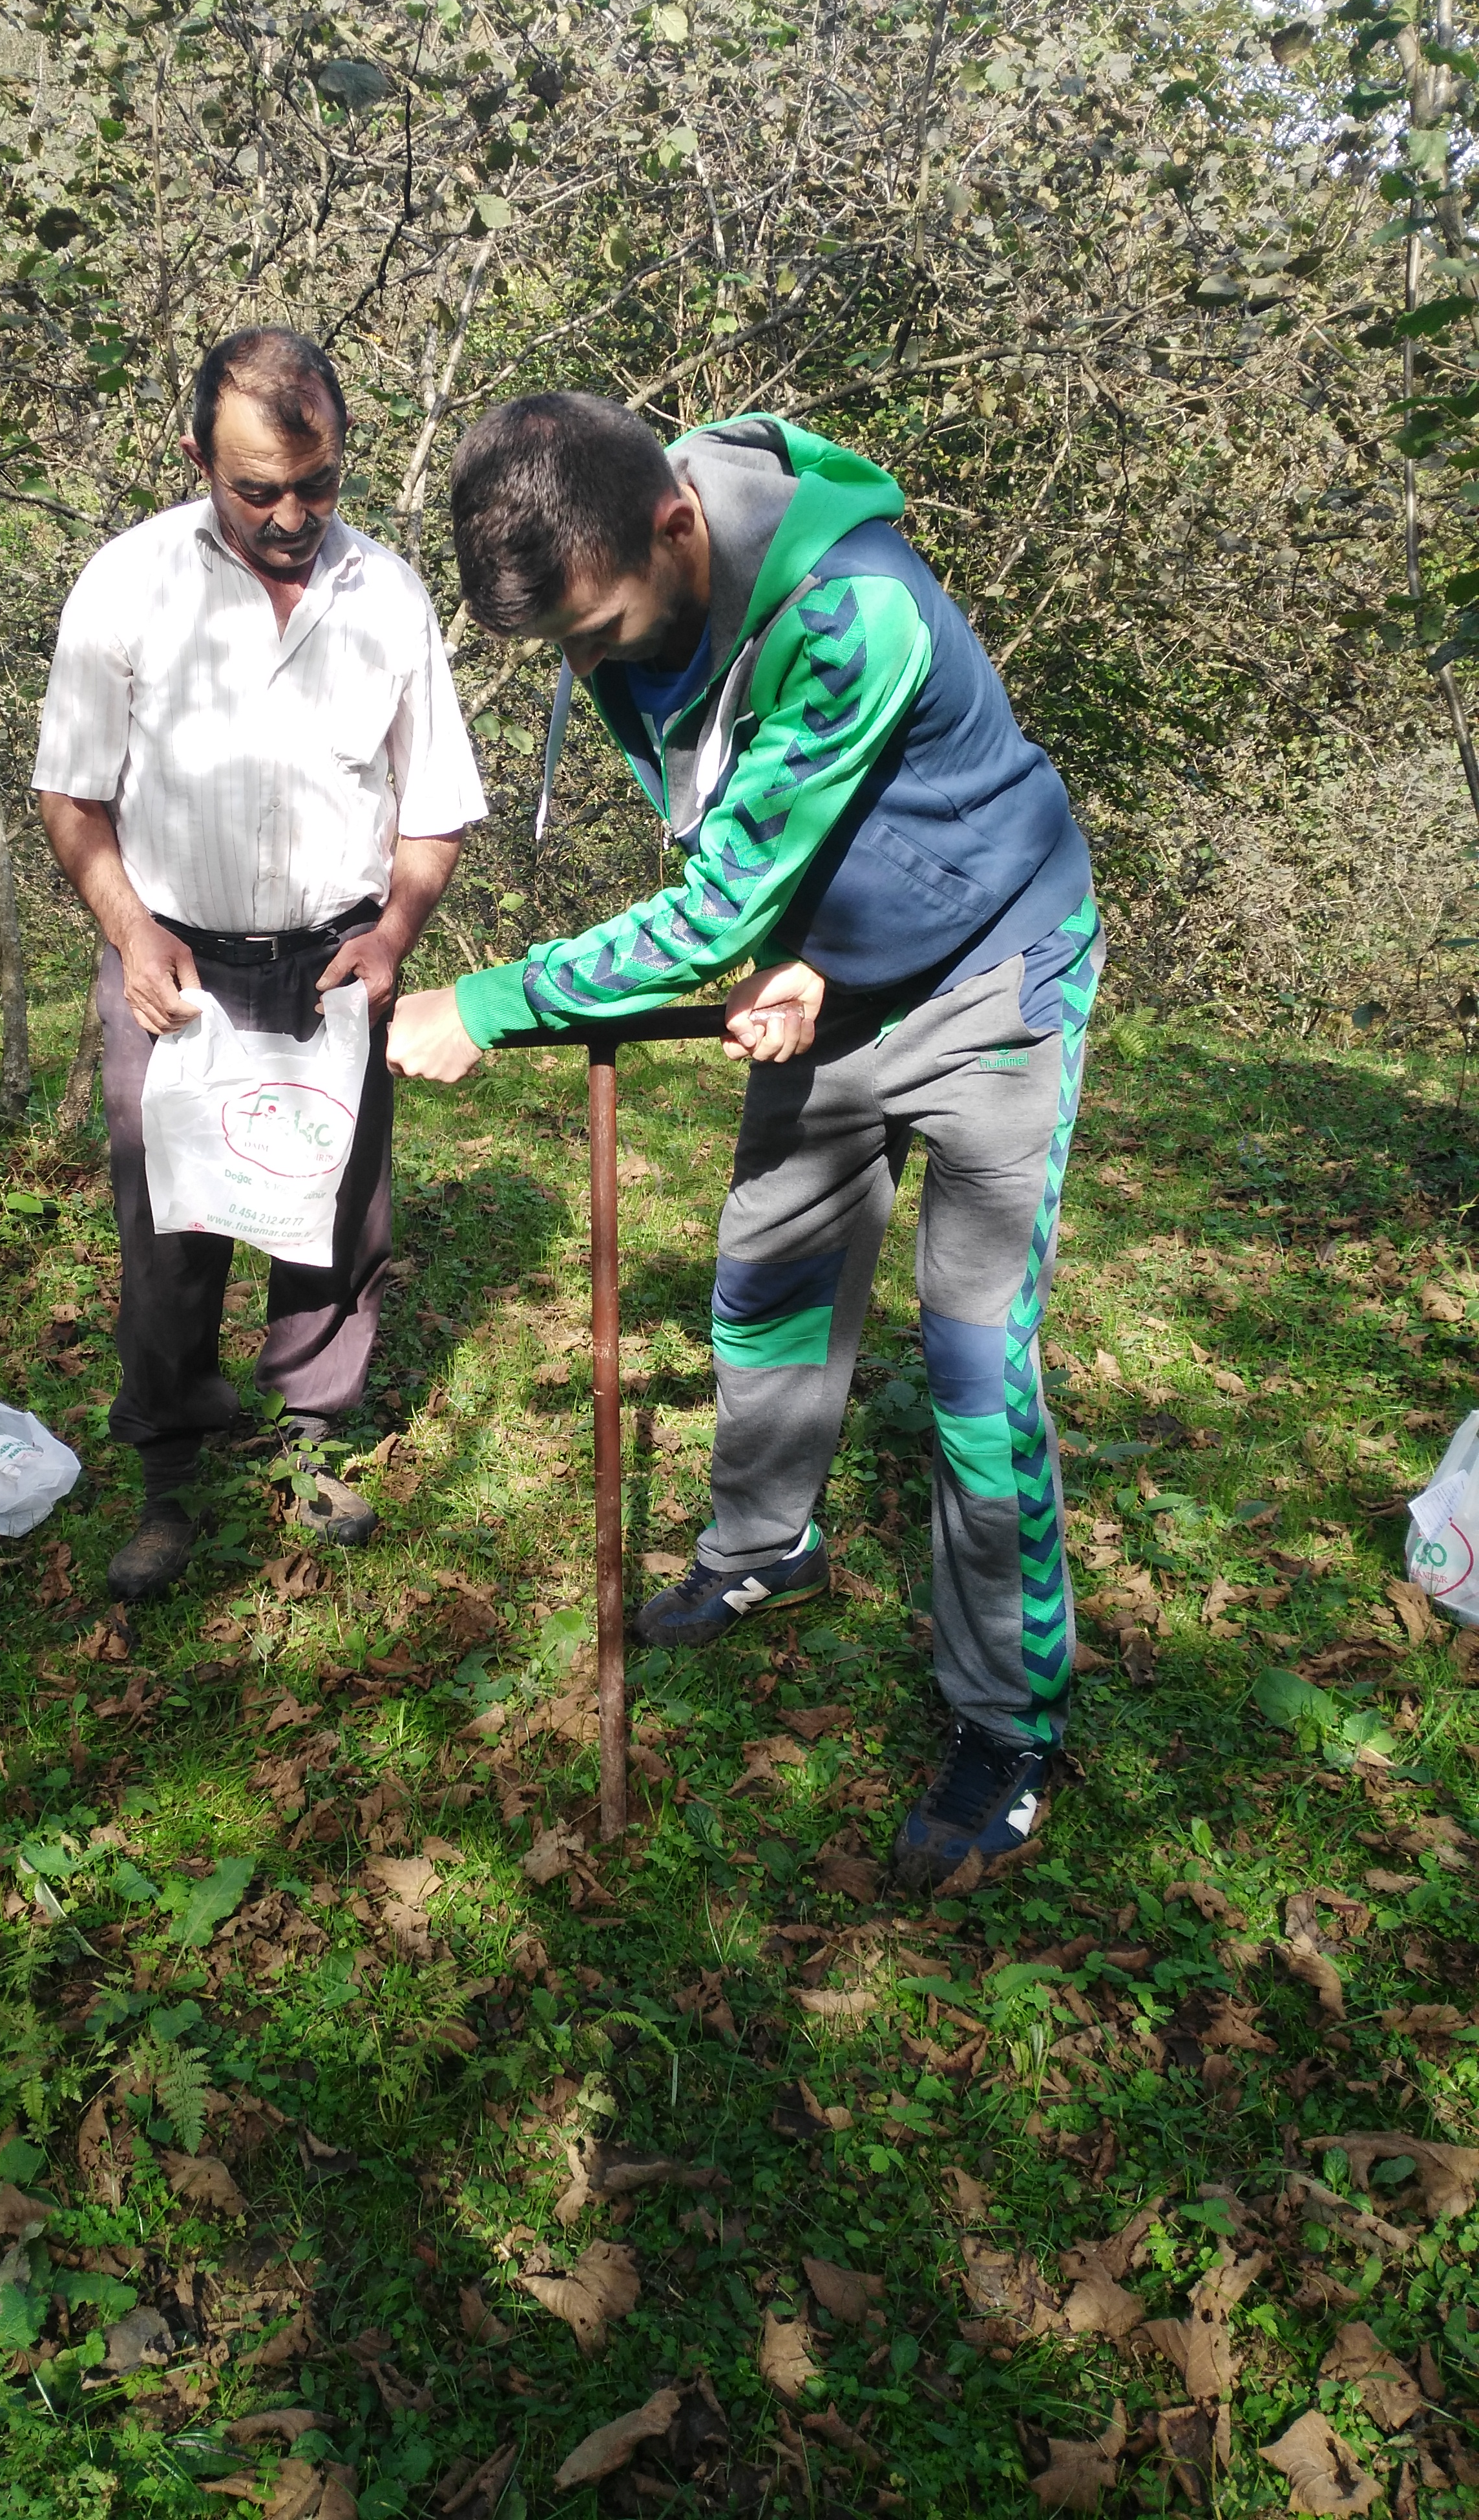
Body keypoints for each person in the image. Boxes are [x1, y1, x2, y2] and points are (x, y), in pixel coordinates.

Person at [387, 396, 1102, 1890]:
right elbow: (744, 842)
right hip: (830, 986)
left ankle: (1009, 1723)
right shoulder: (623, 588)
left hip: (996, 979)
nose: (594, 671)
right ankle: (765, 1544)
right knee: (766, 1279)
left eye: (602, 629)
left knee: (975, 1371)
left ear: (675, 527)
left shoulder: (859, 611)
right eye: (567, 653)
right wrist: (801, 946)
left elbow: (711, 903)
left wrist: (498, 1000)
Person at [34, 328, 485, 1603]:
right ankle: (170, 1473)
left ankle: (307, 1441)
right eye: (258, 490)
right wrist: (129, 928)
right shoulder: (128, 588)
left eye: (320, 483)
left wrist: (393, 935)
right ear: (196, 460)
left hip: (337, 961)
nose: (293, 516)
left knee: (335, 1214)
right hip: (175, 963)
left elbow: (435, 801)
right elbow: (72, 795)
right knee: (169, 1229)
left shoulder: (388, 595)